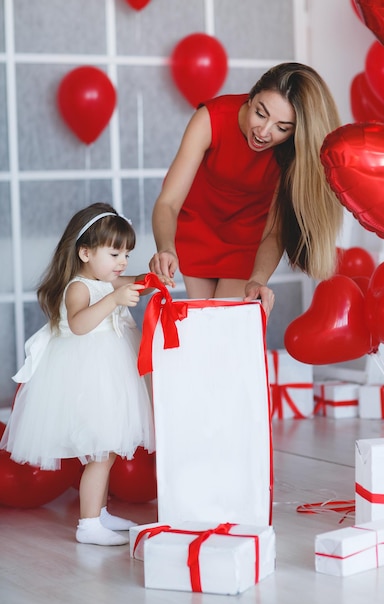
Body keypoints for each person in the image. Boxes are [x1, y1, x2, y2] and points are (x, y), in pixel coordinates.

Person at [0, 203, 174, 546]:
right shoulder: (79, 287)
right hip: (88, 378)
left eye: (126, 253)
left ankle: (100, 512)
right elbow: (79, 325)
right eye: (114, 253)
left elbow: (136, 282)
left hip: (111, 376)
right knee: (99, 451)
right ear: (85, 252)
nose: (122, 261)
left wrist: (152, 279)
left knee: (106, 450)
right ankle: (88, 524)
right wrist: (115, 299)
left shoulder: (106, 279)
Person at [149, 62, 344, 317]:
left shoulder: (292, 152)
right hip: (197, 229)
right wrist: (166, 247)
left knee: (227, 325)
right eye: (261, 114)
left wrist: (258, 278)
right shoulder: (210, 119)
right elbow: (169, 202)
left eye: (282, 127)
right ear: (251, 98)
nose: (264, 132)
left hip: (248, 240)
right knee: (206, 324)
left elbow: (274, 233)